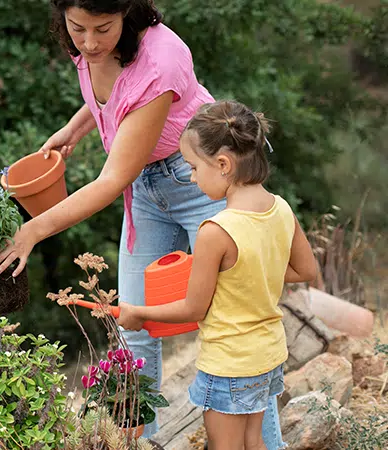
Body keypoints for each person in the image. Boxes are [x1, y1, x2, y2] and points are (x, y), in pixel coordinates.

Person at [0, 1, 286, 447]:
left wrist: (32, 230)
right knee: (131, 325)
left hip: (202, 178)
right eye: (76, 28)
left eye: (102, 29)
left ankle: (270, 444)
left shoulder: (161, 58)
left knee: (233, 320)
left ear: (126, 12)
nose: (89, 42)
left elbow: (112, 178)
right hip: (146, 189)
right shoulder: (84, 45)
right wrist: (75, 127)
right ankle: (135, 442)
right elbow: (111, 95)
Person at [116, 100, 317, 450]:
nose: (191, 178)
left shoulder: (216, 231)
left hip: (229, 364)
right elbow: (306, 269)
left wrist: (139, 313)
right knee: (255, 442)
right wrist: (254, 269)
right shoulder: (280, 208)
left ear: (223, 164)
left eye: (193, 168)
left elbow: (194, 310)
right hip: (268, 356)